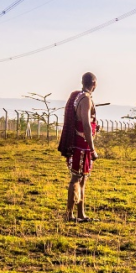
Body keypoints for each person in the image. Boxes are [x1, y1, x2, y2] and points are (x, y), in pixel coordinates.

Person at [58, 72, 99, 222]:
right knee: (76, 177)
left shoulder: (77, 97)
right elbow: (86, 125)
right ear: (94, 84)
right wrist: (93, 148)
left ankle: (81, 214)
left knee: (83, 179)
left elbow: (86, 122)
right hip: (82, 145)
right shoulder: (86, 99)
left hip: (81, 143)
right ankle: (69, 214)